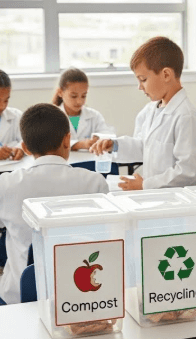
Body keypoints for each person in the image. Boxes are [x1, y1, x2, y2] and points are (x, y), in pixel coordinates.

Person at [0, 104, 109, 304]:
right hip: (80, 293)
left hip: (20, 296)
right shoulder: (95, 183)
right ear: (68, 140)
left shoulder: (6, 185)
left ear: (24, 147)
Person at [90, 36, 196, 190]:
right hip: (159, 198)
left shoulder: (186, 116)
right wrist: (115, 145)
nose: (140, 87)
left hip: (182, 201)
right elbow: (143, 147)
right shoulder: (150, 110)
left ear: (166, 75)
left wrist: (146, 185)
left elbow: (188, 171)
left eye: (143, 79)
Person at [53, 67, 115, 151]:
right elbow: (50, 143)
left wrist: (100, 139)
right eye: (73, 96)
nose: (79, 101)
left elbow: (108, 136)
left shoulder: (94, 116)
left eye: (83, 96)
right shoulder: (52, 117)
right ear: (60, 92)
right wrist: (79, 144)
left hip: (89, 161)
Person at [0, 70, 24, 161]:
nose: (2, 106)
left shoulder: (16, 116)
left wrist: (20, 150)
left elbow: (27, 142)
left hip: (12, 171)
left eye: (6, 100)